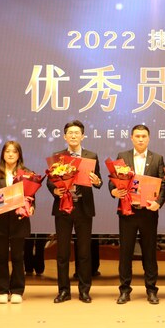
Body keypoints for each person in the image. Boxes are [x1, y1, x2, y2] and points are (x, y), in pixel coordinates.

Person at [109, 124, 165, 305]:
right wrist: (114, 192)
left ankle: (151, 289)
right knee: (125, 252)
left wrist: (159, 202)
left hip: (149, 213)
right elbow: (113, 181)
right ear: (131, 138)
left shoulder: (157, 158)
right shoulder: (122, 157)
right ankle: (124, 290)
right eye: (137, 136)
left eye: (144, 136)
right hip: (128, 212)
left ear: (148, 138)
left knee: (150, 252)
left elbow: (164, 184)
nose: (141, 139)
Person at [47, 120, 102, 304]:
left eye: (77, 133)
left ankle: (84, 290)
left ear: (82, 136)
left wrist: (97, 181)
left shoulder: (91, 156)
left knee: (84, 252)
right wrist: (54, 190)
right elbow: (50, 181)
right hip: (63, 208)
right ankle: (63, 291)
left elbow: (99, 181)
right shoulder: (58, 156)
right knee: (62, 253)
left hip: (83, 209)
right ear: (64, 136)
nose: (73, 136)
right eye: (70, 133)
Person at [0, 141, 37, 304]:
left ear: (19, 155)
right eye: (7, 151)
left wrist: (31, 208)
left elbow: (31, 196)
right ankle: (2, 290)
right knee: (2, 257)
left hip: (19, 220)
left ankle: (18, 290)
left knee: (18, 256)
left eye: (14, 151)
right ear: (3, 154)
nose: (10, 154)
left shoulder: (26, 173)